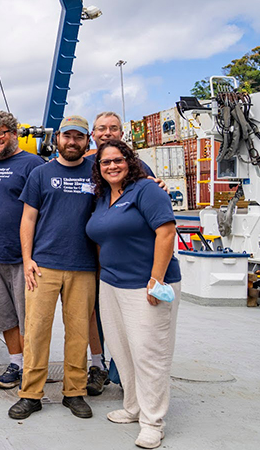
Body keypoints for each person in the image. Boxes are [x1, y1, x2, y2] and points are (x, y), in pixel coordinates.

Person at [86, 139, 181, 449]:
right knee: (122, 349)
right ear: (98, 169)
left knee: (149, 353)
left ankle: (153, 422)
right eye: (105, 162)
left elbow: (166, 232)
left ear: (129, 161)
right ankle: (133, 406)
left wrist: (156, 279)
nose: (112, 166)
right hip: (111, 284)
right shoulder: (103, 198)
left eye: (118, 160)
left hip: (145, 285)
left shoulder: (147, 190)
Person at [8, 115, 97, 420]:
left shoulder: (97, 172)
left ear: (87, 141)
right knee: (36, 331)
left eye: (79, 137)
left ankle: (75, 391)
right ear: (57, 138)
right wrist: (28, 258)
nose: (73, 142)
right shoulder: (41, 174)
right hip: (43, 265)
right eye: (68, 136)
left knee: (78, 333)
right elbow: (28, 219)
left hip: (84, 265)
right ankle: (31, 393)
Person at [84, 111, 165, 396]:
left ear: (122, 133)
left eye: (113, 128)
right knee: (100, 317)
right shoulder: (84, 165)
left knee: (136, 329)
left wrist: (157, 276)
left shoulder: (139, 169)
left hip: (134, 267)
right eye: (101, 128)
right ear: (93, 134)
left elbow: (160, 217)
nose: (107, 133)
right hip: (95, 259)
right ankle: (99, 367)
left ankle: (126, 380)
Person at [0, 111, 45, 389]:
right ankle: (16, 362)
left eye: (2, 133)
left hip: (22, 257)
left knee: (29, 315)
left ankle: (33, 365)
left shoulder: (33, 164)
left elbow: (43, 209)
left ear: (15, 134)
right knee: (3, 314)